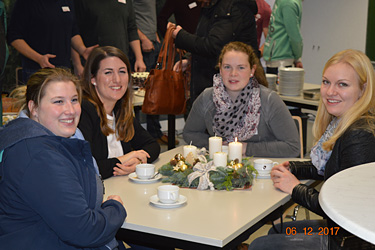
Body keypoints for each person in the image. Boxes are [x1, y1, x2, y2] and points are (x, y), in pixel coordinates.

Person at [249, 49, 375, 249]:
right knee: (279, 230)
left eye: (342, 84)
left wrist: (295, 188)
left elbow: (342, 209)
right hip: (338, 230)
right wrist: (295, 168)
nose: (330, 91)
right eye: (326, 82)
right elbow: (330, 166)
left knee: (260, 245)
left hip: (345, 239)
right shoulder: (344, 122)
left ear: (363, 89)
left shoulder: (359, 136)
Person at [0, 68, 126, 250]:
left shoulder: (57, 142)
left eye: (74, 100)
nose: (70, 110)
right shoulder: (39, 156)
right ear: (33, 108)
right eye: (58, 102)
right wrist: (115, 208)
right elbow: (84, 231)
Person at [183, 41, 300, 158]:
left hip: (263, 170)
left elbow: (292, 147)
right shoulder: (207, 97)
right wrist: (217, 145)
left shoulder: (269, 100)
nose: (233, 74)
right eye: (227, 67)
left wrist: (246, 148)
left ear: (252, 71)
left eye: (241, 68)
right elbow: (189, 133)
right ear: (220, 69)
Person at [78, 46, 160, 180]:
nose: (117, 79)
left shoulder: (120, 109)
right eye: (108, 72)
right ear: (92, 78)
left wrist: (138, 162)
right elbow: (88, 167)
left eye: (122, 71)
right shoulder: (84, 111)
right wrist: (127, 158)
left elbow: (153, 146)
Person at [170, 0, 259, 108]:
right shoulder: (218, 6)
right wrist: (190, 60)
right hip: (219, 86)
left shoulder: (230, 7)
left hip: (228, 90)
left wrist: (180, 36)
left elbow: (214, 46)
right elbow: (212, 42)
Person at [6, 0, 97, 83]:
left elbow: (72, 31)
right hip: (37, 71)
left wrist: (82, 50)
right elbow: (14, 37)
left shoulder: (67, 2)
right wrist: (39, 58)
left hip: (64, 69)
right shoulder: (26, 3)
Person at [72, 0, 146, 77]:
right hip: (95, 62)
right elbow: (73, 32)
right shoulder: (82, 2)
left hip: (121, 58)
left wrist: (139, 59)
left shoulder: (126, 1)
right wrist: (77, 64)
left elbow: (132, 29)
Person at [263, 0, 303, 75]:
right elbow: (294, 34)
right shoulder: (288, 3)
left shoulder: (284, 2)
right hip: (281, 58)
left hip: (277, 56)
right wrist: (298, 57)